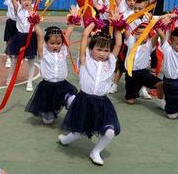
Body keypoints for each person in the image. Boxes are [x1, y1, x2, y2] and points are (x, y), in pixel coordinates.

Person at [58, 21, 123, 166]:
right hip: (84, 101)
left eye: (106, 50)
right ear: (90, 49)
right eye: (99, 49)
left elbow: (118, 44)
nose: (103, 53)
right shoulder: (85, 59)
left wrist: (117, 25)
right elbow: (85, 35)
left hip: (102, 103)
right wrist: (93, 22)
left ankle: (95, 152)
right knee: (79, 132)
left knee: (110, 132)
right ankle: (65, 139)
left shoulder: (111, 62)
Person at [6, 0, 55, 91]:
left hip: (30, 37)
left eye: (28, 0)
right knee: (15, 59)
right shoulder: (17, 9)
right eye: (24, 0)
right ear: (20, 1)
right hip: (19, 37)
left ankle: (29, 82)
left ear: (31, 1)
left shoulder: (33, 10)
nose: (26, 2)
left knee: (31, 61)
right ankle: (10, 78)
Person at [25, 25, 77, 125]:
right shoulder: (43, 52)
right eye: (52, 43)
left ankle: (73, 120)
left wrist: (72, 22)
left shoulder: (63, 50)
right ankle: (49, 113)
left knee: (73, 100)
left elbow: (68, 35)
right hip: (47, 88)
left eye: (58, 43)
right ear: (46, 42)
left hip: (63, 86)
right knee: (48, 121)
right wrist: (34, 21)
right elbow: (40, 35)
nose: (56, 46)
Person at [123, 22, 164, 104]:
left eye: (143, 34)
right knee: (130, 101)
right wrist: (119, 21)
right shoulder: (131, 40)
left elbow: (158, 34)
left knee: (161, 84)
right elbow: (124, 27)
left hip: (143, 73)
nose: (140, 36)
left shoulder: (150, 44)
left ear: (149, 36)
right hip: (130, 74)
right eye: (138, 33)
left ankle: (161, 101)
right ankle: (139, 89)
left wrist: (159, 23)